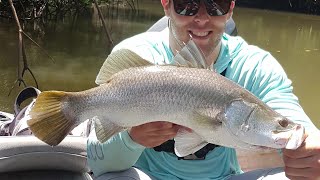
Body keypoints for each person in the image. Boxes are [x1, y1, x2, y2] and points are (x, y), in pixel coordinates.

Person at [87, 0, 320, 179]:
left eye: (215, 5)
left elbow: (287, 112)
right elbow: (98, 163)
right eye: (186, 5)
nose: (201, 19)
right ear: (166, 5)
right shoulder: (137, 57)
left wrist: (310, 147)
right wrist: (132, 139)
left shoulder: (256, 66)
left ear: (230, 8)